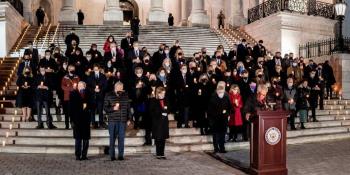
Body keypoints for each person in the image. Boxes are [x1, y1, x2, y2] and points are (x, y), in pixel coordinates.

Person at [104, 82, 132, 161]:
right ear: (115, 87)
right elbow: (105, 108)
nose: (121, 88)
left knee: (121, 138)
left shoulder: (125, 95)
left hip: (122, 120)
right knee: (112, 138)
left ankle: (120, 155)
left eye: (122, 87)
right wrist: (113, 109)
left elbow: (128, 108)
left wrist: (129, 118)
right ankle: (112, 155)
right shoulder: (108, 95)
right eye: (119, 87)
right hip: (112, 120)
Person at [69, 81, 92, 160]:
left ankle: (84, 155)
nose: (80, 86)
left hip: (86, 119)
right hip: (77, 119)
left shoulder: (88, 93)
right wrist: (71, 120)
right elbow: (71, 108)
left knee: (86, 139)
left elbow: (92, 104)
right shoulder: (73, 93)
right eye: (79, 85)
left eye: (82, 85)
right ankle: (77, 155)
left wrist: (87, 106)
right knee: (78, 139)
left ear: (84, 86)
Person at [207, 81, 232, 153]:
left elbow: (229, 107)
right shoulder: (213, 98)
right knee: (215, 135)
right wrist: (211, 120)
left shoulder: (226, 98)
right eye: (219, 92)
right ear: (217, 91)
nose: (221, 94)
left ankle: (222, 148)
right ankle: (216, 148)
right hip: (215, 120)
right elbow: (210, 110)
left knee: (222, 135)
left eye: (222, 92)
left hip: (223, 119)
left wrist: (227, 114)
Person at [150, 87, 169, 159]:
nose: (163, 95)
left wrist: (166, 112)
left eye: (164, 93)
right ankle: (158, 154)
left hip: (164, 122)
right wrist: (160, 113)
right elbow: (151, 111)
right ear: (158, 93)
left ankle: (162, 154)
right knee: (158, 138)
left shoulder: (166, 100)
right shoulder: (154, 100)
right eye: (162, 93)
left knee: (163, 138)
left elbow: (169, 108)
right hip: (157, 122)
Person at [86, 64, 108, 129]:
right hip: (92, 96)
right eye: (94, 69)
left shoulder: (103, 76)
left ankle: (101, 123)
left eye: (97, 69)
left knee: (100, 111)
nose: (96, 70)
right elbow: (87, 86)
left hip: (100, 96)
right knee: (92, 111)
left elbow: (105, 85)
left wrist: (100, 90)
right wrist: (93, 90)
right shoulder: (90, 76)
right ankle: (93, 123)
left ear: (99, 69)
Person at [61, 65, 80, 129]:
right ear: (68, 70)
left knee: (74, 111)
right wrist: (71, 88)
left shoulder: (76, 77)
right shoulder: (65, 77)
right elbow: (62, 86)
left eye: (74, 69)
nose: (73, 71)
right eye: (71, 69)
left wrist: (76, 87)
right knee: (67, 112)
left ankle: (73, 123)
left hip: (75, 97)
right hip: (67, 97)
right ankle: (66, 125)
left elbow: (79, 85)